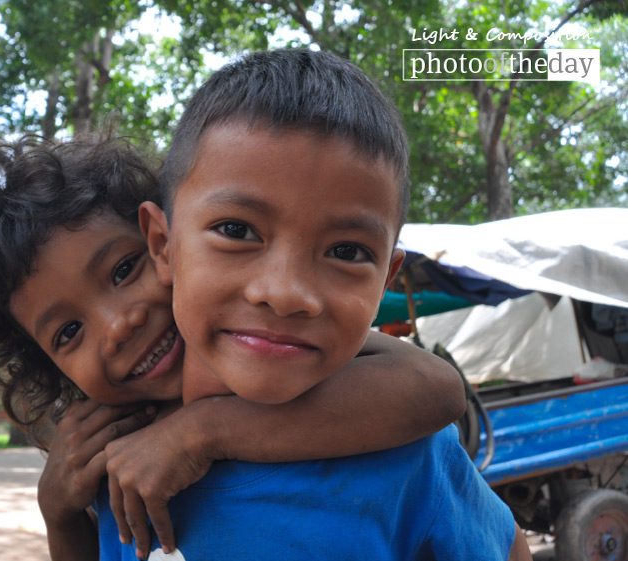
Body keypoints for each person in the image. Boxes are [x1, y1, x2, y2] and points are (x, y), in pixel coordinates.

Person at [0, 134, 468, 561]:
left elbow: (438, 388)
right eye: (68, 333)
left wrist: (200, 433)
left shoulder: (293, 363)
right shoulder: (118, 469)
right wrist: (60, 513)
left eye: (124, 269)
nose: (119, 325)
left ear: (167, 245)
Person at [97, 49, 533, 560]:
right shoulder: (131, 474)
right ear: (163, 245)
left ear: (385, 278)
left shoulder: (411, 459)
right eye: (236, 231)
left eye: (347, 252)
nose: (285, 293)